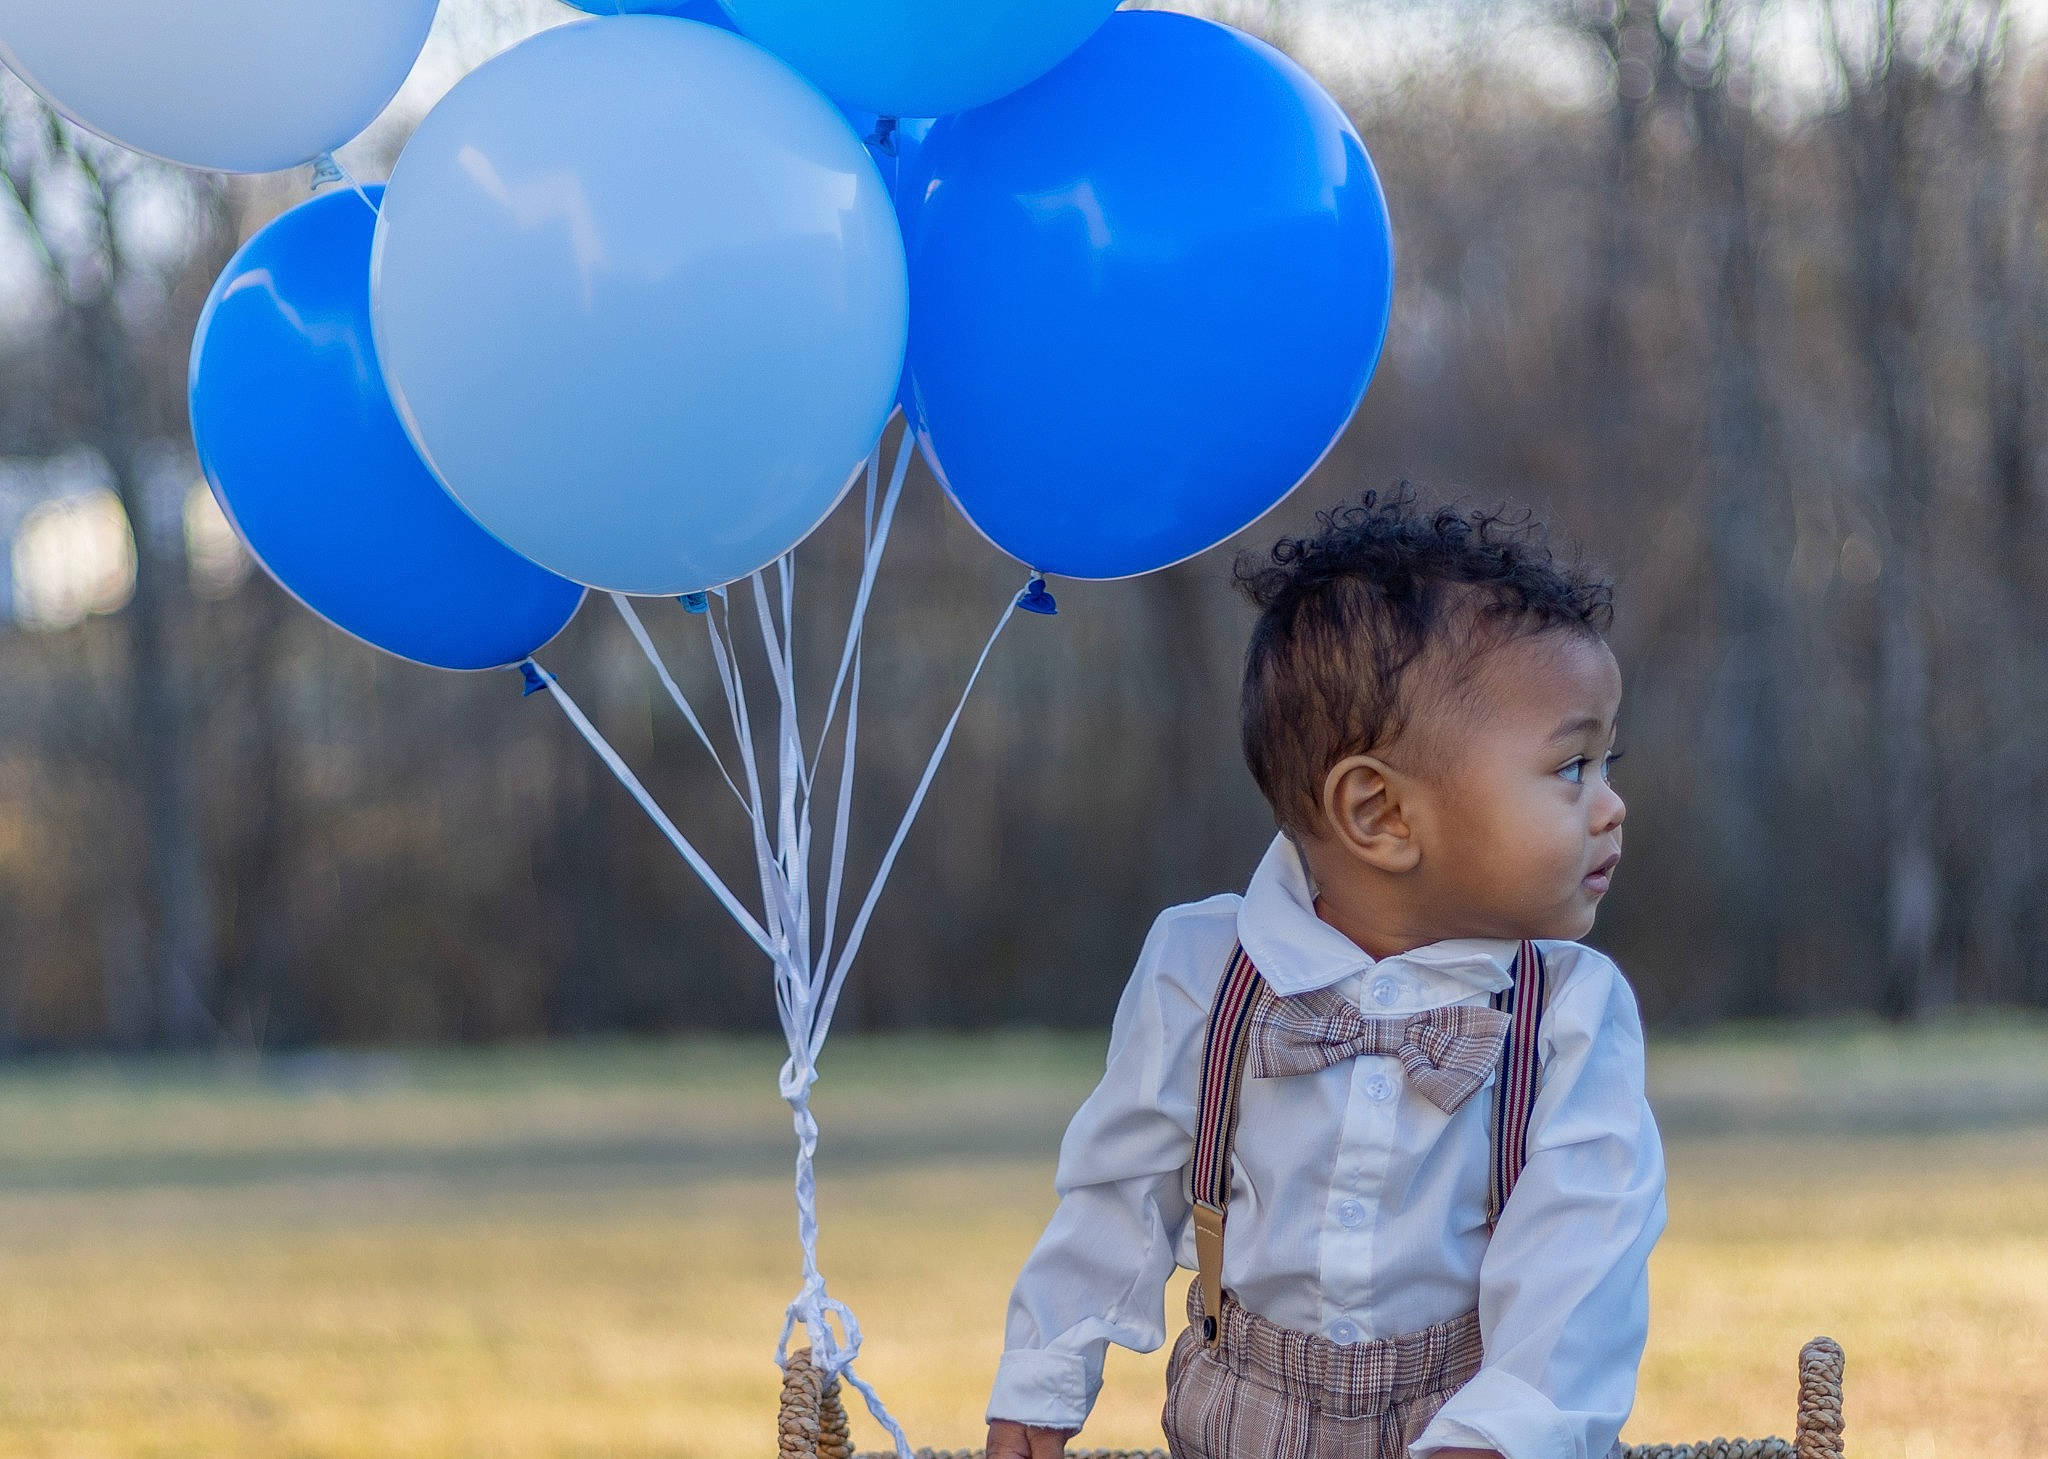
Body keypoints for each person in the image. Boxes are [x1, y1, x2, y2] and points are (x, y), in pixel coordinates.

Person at [984, 487, 1667, 1459]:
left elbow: (1583, 1261)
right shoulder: (1202, 968)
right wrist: (1041, 1381)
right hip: (1237, 1426)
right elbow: (1117, 1192)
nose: (1611, 806)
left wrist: (1499, 1433)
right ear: (1379, 815)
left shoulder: (1569, 1016)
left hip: (1463, 1427)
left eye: (1606, 760)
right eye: (1570, 769)